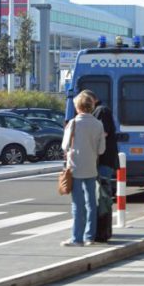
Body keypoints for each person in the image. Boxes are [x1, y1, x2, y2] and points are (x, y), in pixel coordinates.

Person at [60, 91, 106, 247]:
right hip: (91, 168)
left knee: (77, 205)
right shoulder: (98, 124)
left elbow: (64, 146)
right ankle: (89, 237)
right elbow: (101, 150)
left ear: (77, 106)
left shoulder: (73, 123)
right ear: (91, 106)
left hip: (75, 168)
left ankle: (76, 238)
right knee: (91, 203)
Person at [82, 90, 119, 242]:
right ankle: (102, 230)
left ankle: (103, 231)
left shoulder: (101, 111)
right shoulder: (100, 110)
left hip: (104, 160)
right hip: (103, 159)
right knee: (101, 195)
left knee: (102, 196)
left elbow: (102, 133)